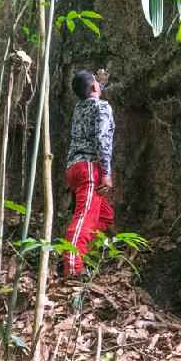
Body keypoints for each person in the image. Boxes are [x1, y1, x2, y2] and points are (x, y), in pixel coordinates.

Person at [63, 69, 115, 278]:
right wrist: (106, 173)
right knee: (83, 218)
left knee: (104, 216)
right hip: (89, 169)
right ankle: (73, 268)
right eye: (96, 83)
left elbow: (91, 94)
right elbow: (103, 140)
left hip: (73, 169)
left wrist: (99, 82)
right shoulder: (102, 107)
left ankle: (80, 255)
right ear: (94, 87)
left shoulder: (79, 108)